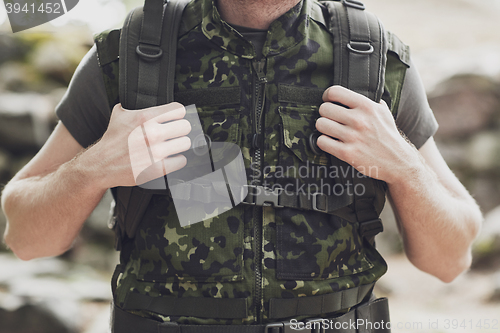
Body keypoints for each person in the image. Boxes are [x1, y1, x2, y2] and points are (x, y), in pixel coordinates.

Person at [2, 0, 482, 331]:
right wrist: (93, 170)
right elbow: (25, 237)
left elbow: (450, 259)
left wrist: (405, 167)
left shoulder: (373, 60)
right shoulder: (133, 56)